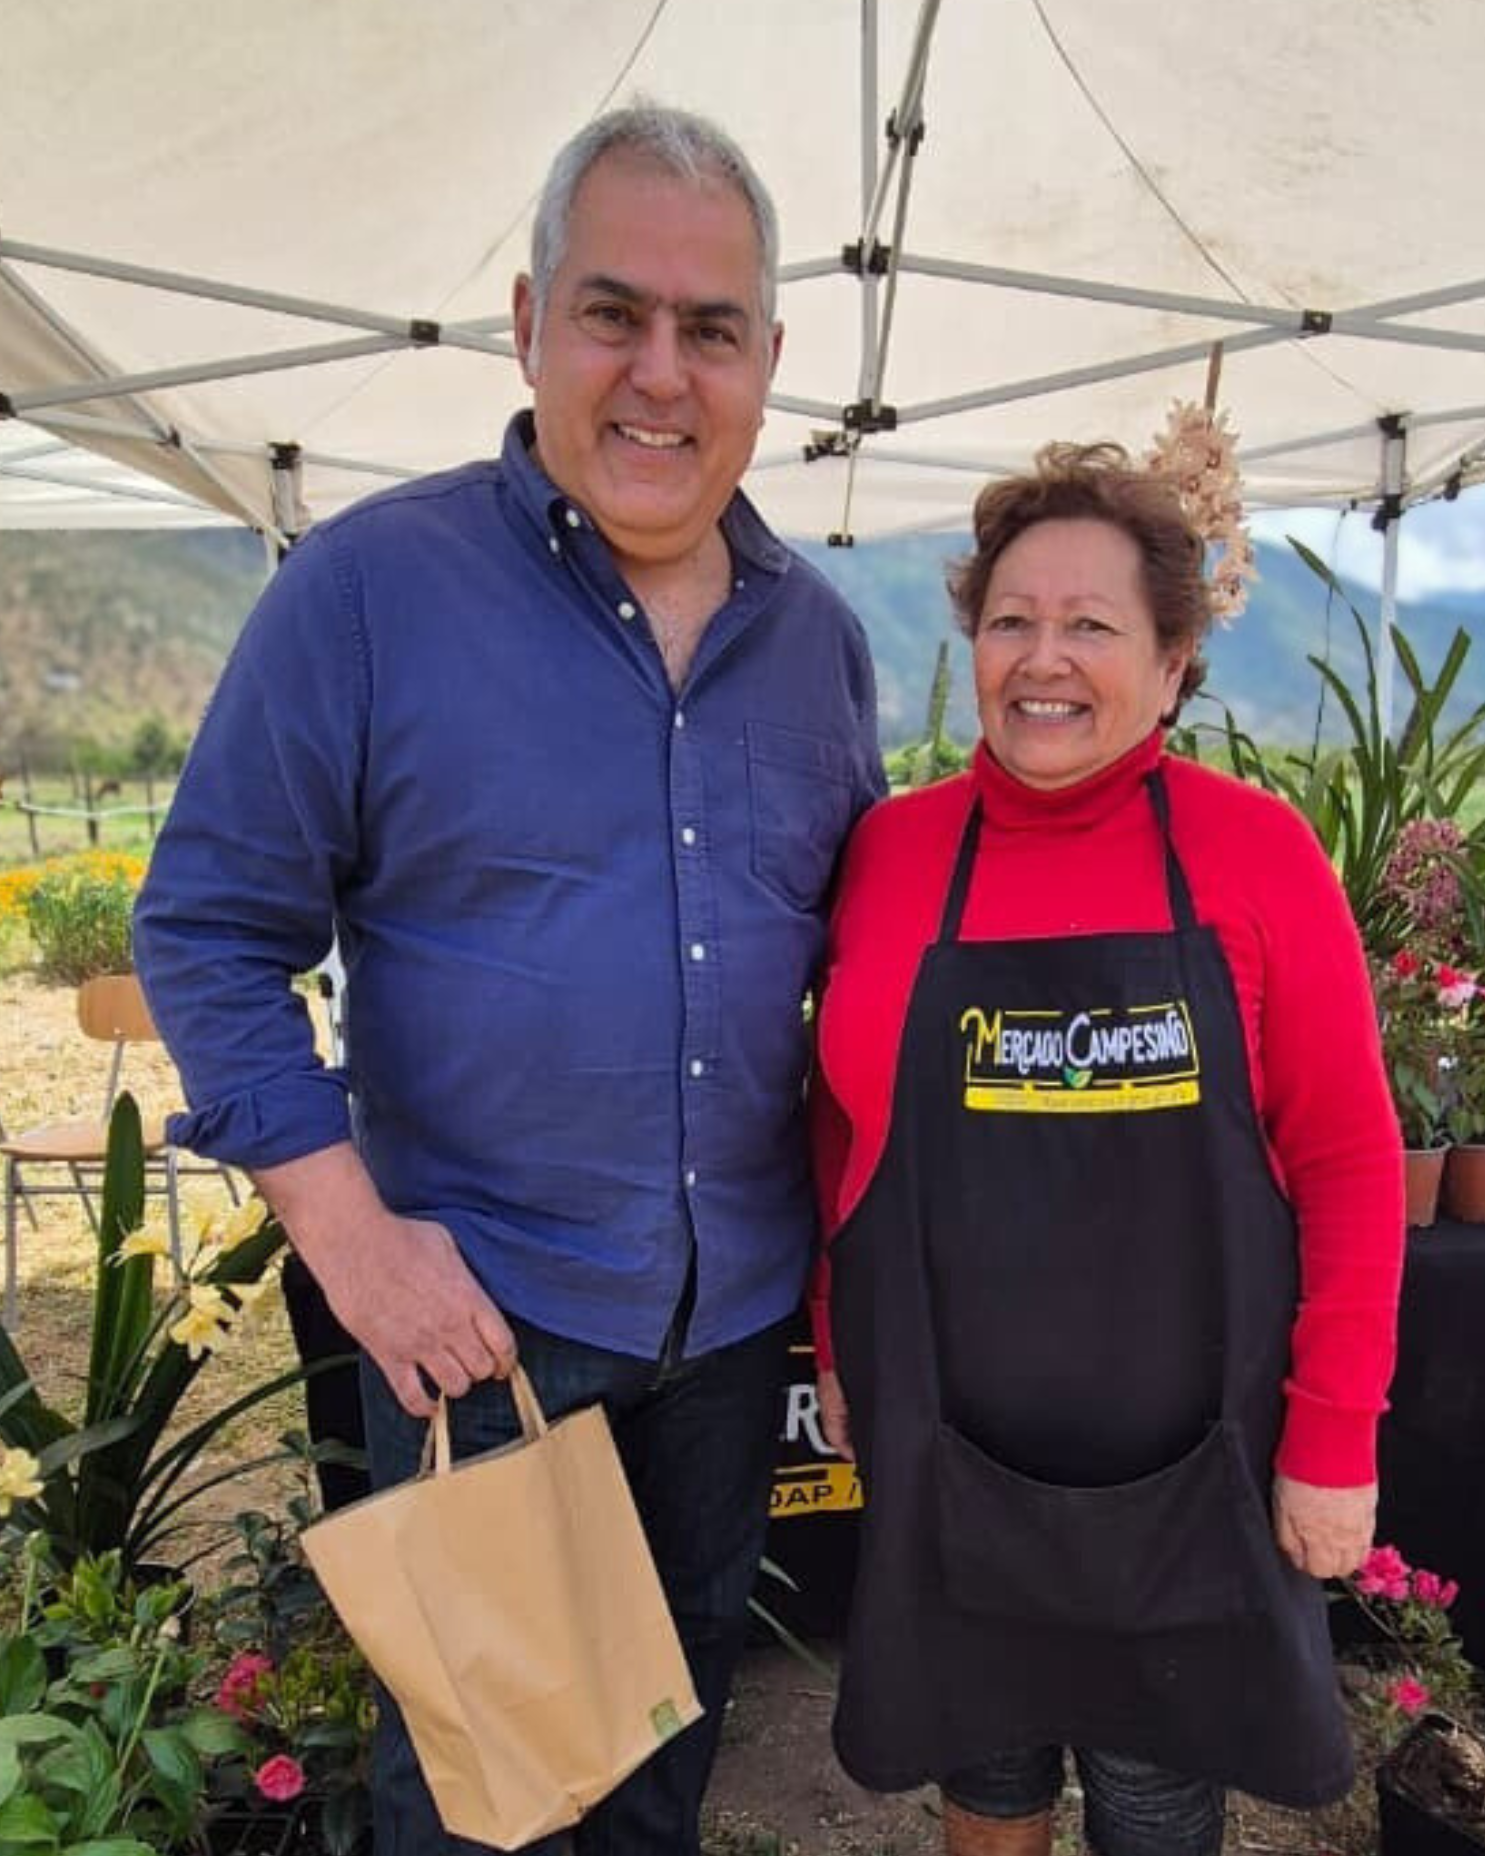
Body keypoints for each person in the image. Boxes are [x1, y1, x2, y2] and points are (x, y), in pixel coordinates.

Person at [134, 104, 884, 1856]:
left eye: (711, 330)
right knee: (481, 1810)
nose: (661, 374)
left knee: (662, 1772)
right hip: (483, 1328)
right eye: (615, 313)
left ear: (770, 362)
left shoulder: (823, 649)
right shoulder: (367, 593)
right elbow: (208, 928)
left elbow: (860, 971)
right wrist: (353, 1242)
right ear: (530, 319)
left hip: (729, 1333)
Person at [808, 443, 1404, 1856]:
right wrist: (837, 1341)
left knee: (1154, 1799)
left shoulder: (1257, 854)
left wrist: (1333, 1437)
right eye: (1011, 620)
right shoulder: (892, 855)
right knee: (985, 1783)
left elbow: (1350, 1161)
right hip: (948, 1452)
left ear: (1174, 660)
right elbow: (842, 1126)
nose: (1044, 660)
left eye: (1092, 625)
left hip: (1181, 1473)